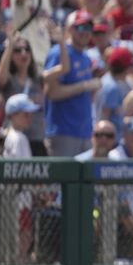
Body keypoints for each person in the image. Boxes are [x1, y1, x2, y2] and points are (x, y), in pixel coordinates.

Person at [43, 10, 101, 157]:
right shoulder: (59, 53)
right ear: (69, 29)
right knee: (65, 178)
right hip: (63, 132)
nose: (86, 32)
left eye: (89, 28)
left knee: (83, 180)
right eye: (81, 27)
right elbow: (51, 93)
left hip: (84, 132)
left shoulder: (86, 57)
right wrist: (84, 86)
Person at [2, 93, 40, 158]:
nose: (30, 118)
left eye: (30, 114)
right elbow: (20, 166)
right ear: (13, 115)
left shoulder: (14, 135)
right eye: (26, 114)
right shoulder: (18, 138)